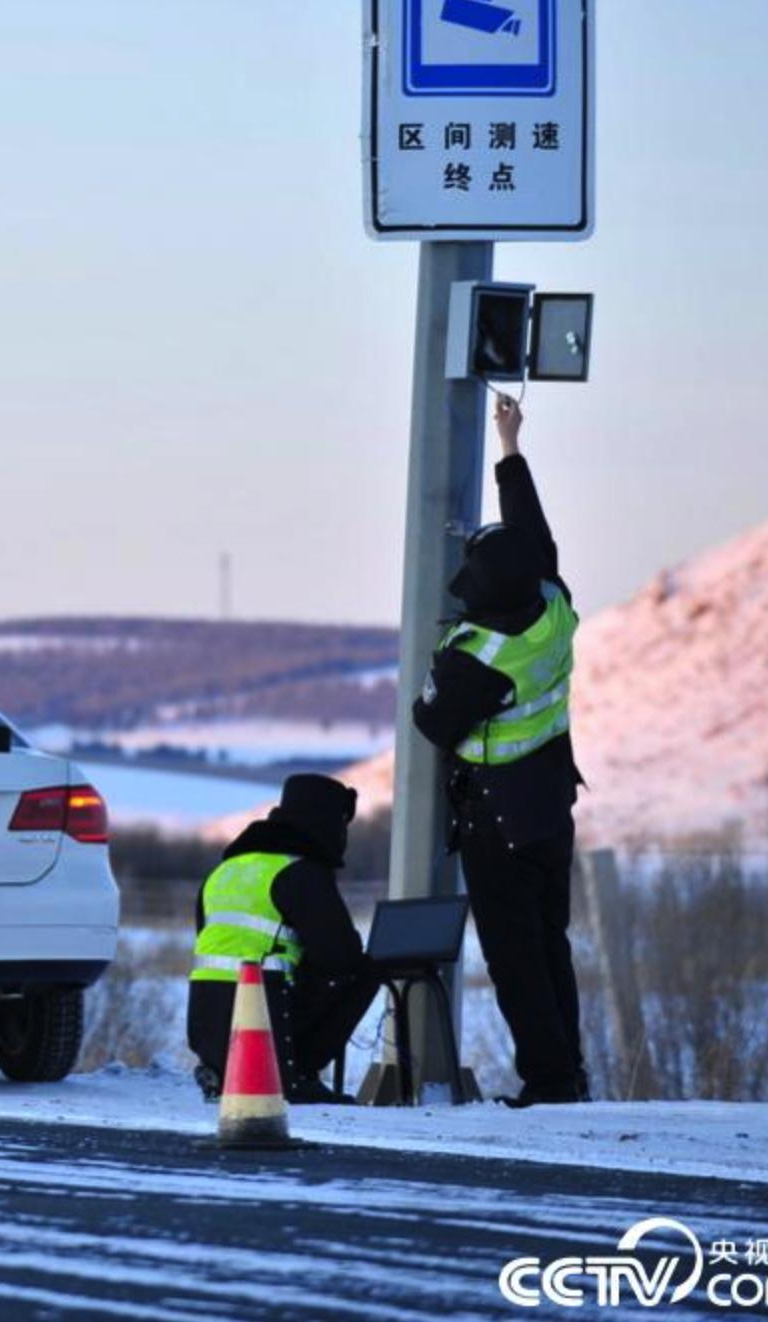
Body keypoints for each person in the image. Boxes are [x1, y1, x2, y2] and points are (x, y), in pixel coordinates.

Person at [412, 395, 586, 1108]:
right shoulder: (552, 605)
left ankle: (548, 1083)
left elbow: (431, 723)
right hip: (550, 804)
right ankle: (567, 1074)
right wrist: (509, 446)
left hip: (499, 819)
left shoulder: (480, 658)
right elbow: (531, 533)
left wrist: (430, 674)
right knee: (552, 945)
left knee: (516, 958)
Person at [186, 774, 379, 1105]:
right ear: (327, 822)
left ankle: (223, 1069)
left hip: (206, 1023)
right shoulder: (299, 872)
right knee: (361, 972)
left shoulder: (226, 870)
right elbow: (340, 955)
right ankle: (296, 1071)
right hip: (263, 1023)